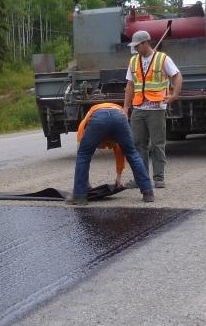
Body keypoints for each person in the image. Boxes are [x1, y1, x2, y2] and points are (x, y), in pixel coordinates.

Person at [122, 30, 183, 189]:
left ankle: (158, 178)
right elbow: (129, 85)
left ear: (145, 43)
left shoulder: (162, 59)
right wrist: (126, 107)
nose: (134, 49)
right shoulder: (133, 61)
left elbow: (177, 76)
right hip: (138, 109)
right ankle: (141, 179)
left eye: (137, 46)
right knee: (137, 145)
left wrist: (174, 95)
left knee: (157, 144)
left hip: (156, 109)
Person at [68, 102, 154, 205]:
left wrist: (118, 176)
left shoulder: (84, 126)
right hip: (119, 117)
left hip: (99, 117)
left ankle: (79, 197)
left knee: (83, 155)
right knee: (132, 153)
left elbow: (81, 153)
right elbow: (121, 153)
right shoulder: (114, 138)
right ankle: (148, 192)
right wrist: (118, 176)